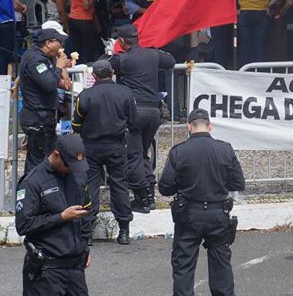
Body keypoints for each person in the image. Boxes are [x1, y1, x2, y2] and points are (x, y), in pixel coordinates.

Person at [159, 108, 245, 296]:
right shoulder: (225, 149)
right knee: (221, 264)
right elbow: (238, 183)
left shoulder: (179, 151)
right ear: (210, 126)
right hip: (217, 213)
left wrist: (182, 184)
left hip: (188, 214)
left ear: (189, 127)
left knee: (183, 265)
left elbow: (165, 187)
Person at [15, 134, 93, 296]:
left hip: (75, 269)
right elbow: (23, 225)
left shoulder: (77, 176)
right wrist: (61, 217)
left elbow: (85, 213)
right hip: (46, 270)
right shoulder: (33, 181)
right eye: (69, 165)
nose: (72, 169)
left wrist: (86, 246)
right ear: (56, 155)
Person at [110, 24, 176, 213]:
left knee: (133, 155)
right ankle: (149, 194)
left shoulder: (122, 59)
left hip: (134, 112)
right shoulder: (152, 55)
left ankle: (142, 197)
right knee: (141, 153)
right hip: (154, 112)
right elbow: (170, 60)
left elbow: (102, 66)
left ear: (122, 42)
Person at [71, 60, 137, 246]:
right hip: (116, 145)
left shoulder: (85, 95)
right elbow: (133, 122)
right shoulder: (125, 93)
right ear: (112, 72)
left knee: (90, 186)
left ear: (94, 76)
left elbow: (76, 125)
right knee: (120, 185)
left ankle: (87, 232)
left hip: (91, 146)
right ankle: (124, 230)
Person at [18, 27, 73, 174]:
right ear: (48, 43)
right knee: (40, 160)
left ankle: (36, 191)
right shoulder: (35, 60)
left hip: (45, 115)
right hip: (37, 116)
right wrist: (58, 67)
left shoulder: (47, 57)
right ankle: (33, 192)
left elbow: (63, 84)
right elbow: (49, 84)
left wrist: (62, 68)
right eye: (59, 42)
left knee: (43, 156)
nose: (62, 46)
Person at [68, 0, 101, 64]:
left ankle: (75, 66)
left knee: (76, 47)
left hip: (73, 18)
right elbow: (86, 6)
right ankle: (85, 66)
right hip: (84, 21)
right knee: (87, 49)